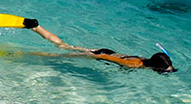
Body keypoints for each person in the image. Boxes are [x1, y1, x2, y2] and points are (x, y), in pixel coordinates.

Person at [19, 17, 177, 73]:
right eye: (164, 71)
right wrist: (89, 56)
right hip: (99, 55)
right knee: (58, 55)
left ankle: (35, 27)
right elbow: (106, 57)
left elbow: (163, 57)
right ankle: (22, 54)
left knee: (63, 45)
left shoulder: (148, 60)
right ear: (156, 67)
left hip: (106, 51)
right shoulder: (133, 64)